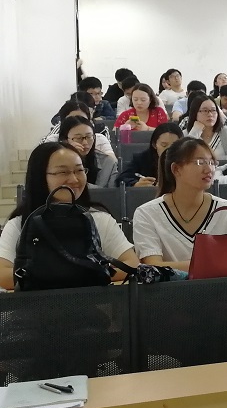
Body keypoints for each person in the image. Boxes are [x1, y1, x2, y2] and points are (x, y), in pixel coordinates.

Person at [0, 142, 139, 290]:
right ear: (39, 176)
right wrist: (82, 274)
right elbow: (2, 275)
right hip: (37, 305)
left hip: (90, 303)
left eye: (79, 170)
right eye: (63, 172)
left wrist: (48, 276)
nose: (74, 179)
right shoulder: (20, 224)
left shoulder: (99, 219)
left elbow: (132, 263)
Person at [132, 137, 227, 270]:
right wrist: (215, 265)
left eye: (212, 162)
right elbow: (153, 267)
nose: (209, 169)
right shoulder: (147, 214)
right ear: (176, 169)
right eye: (200, 162)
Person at [115, 122, 184, 187]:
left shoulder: (186, 160)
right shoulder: (142, 159)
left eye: (174, 146)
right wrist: (135, 183)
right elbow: (121, 179)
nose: (168, 150)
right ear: (154, 144)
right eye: (164, 145)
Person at [59, 116, 116, 187]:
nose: (85, 143)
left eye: (89, 137)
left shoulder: (107, 162)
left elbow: (112, 192)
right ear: (65, 140)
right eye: (78, 138)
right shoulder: (54, 163)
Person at [185, 95, 227, 162]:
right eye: (205, 110)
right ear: (195, 113)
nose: (210, 114)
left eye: (213, 110)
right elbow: (184, 158)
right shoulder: (186, 134)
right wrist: (195, 132)